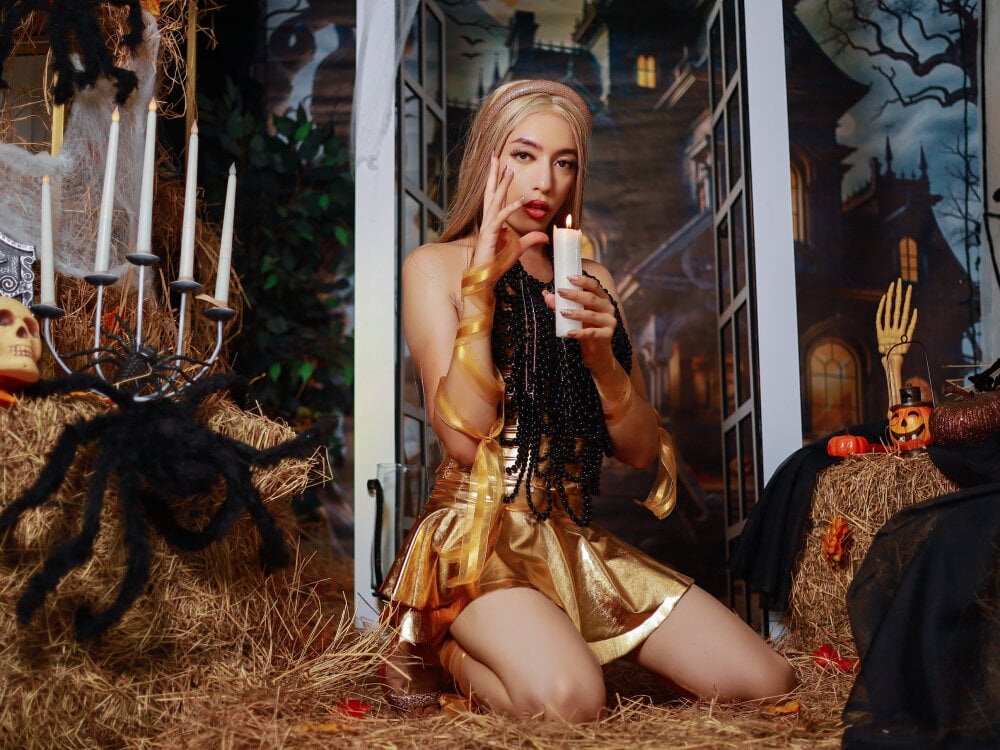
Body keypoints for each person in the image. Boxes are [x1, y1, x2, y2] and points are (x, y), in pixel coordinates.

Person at [379, 78, 795, 722]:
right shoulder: (434, 267)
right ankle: (444, 651)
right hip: (476, 541)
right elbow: (464, 439)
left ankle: (538, 647)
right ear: (489, 157)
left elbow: (639, 451)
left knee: (767, 679)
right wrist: (480, 294)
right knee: (572, 701)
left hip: (571, 538)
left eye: (564, 162)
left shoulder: (590, 278)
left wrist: (603, 360)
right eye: (524, 155)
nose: (544, 181)